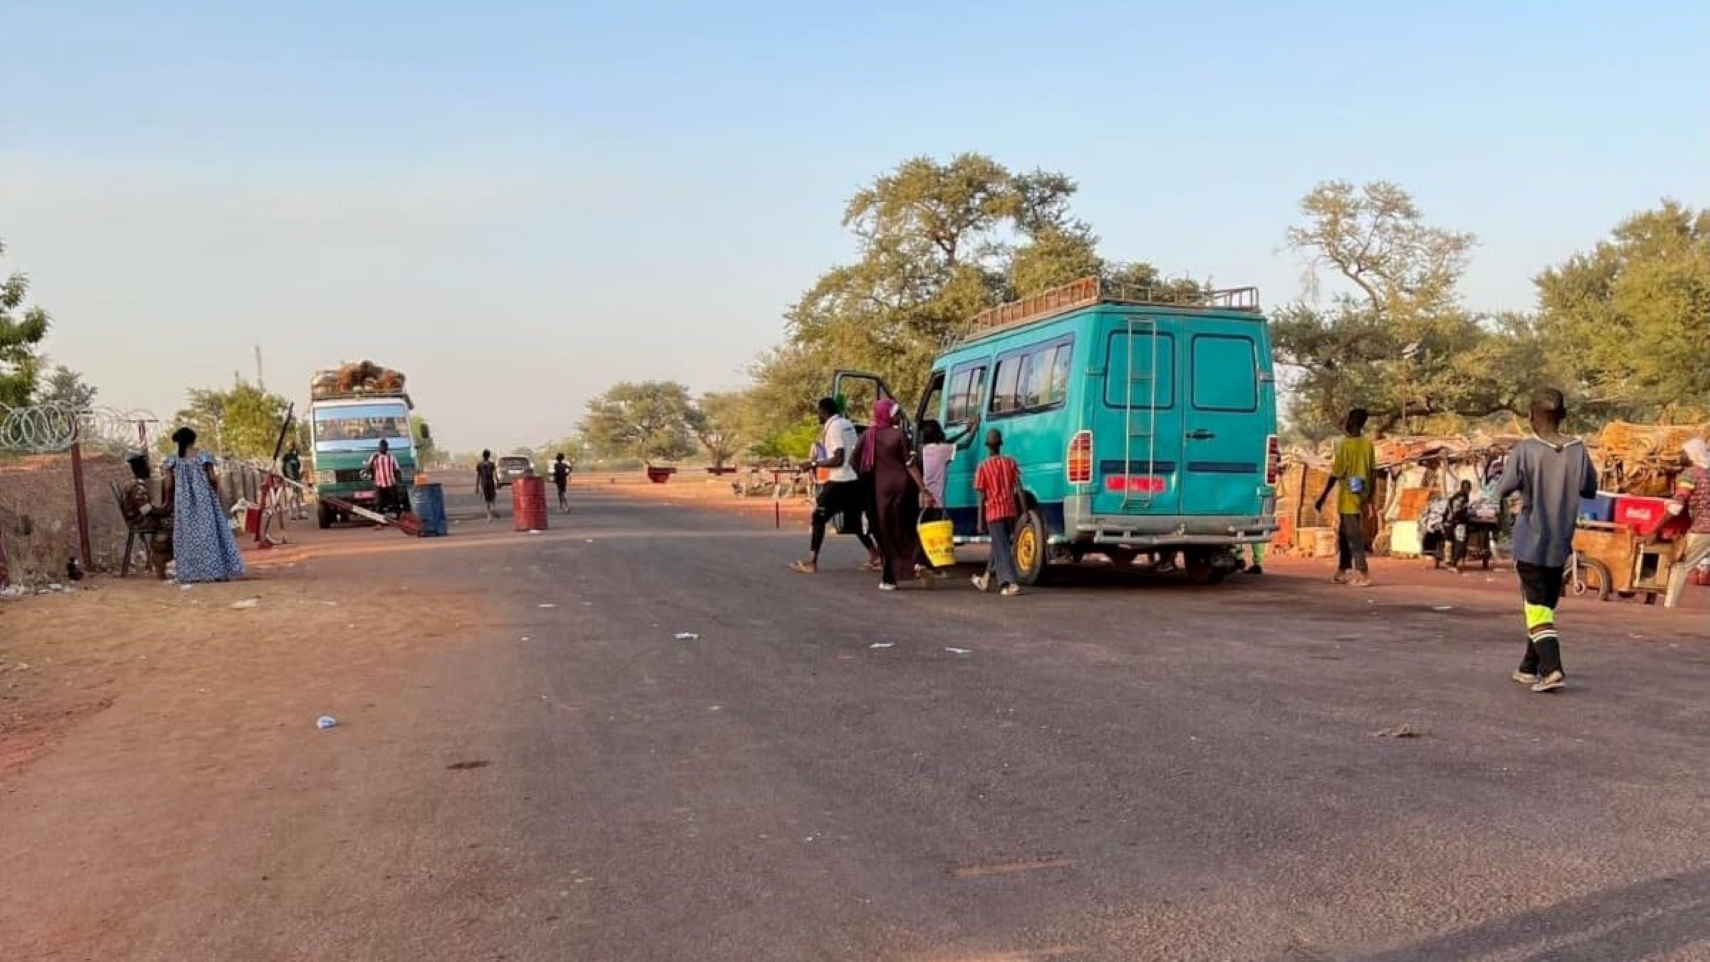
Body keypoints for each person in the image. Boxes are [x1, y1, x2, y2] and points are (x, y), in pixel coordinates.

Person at [1495, 387, 1598, 694]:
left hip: (1530, 540)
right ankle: (1528, 667)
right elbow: (1590, 488)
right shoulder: (1579, 450)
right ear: (1563, 415)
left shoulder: (1525, 449)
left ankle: (1552, 668)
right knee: (1541, 606)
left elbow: (1502, 488)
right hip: (1560, 541)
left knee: (1537, 607)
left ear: (1531, 416)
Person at [856, 399, 931, 590]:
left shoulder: (867, 436)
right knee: (904, 527)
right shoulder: (899, 435)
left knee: (884, 531)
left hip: (880, 490)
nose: (897, 417)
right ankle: (916, 561)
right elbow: (910, 464)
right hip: (904, 488)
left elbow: (855, 462)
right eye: (895, 413)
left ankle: (890, 577)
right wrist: (923, 489)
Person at [791, 398, 868, 574]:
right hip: (854, 479)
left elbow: (838, 458)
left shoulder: (833, 428)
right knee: (853, 522)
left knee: (818, 518)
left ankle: (811, 561)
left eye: (818, 412)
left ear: (823, 411)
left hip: (839, 480)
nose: (818, 415)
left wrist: (813, 464)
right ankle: (875, 554)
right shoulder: (846, 423)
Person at [161, 427, 246, 584]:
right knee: (209, 534)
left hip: (183, 503)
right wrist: (213, 493)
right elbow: (213, 478)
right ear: (193, 440)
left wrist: (168, 501)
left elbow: (168, 484)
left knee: (187, 537)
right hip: (205, 499)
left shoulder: (172, 459)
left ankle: (190, 573)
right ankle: (215, 571)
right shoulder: (203, 456)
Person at [1314, 407, 1376, 587]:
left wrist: (1322, 497)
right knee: (1343, 534)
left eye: (1348, 420)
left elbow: (1335, 474)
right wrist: (1369, 498)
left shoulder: (1345, 446)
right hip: (1360, 492)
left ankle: (1364, 573)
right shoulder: (1367, 445)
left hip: (1349, 495)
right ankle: (1342, 570)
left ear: (1353, 422)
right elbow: (1372, 473)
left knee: (1354, 535)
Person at [972, 428, 1027, 596]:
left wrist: (979, 520)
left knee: (1001, 546)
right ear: (1001, 444)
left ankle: (1009, 583)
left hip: (993, 513)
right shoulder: (1010, 463)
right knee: (1000, 544)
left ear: (987, 445)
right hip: (1009, 511)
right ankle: (986, 578)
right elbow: (1019, 488)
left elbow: (982, 496)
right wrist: (1024, 512)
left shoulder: (983, 467)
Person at [1663, 437, 1710, 609]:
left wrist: (1654, 529)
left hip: (1703, 529)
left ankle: (1669, 608)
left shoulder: (1690, 474)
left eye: (1684, 452)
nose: (1681, 455)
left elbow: (1677, 505)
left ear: (1692, 455)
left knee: (1681, 566)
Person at [118, 452, 174, 579]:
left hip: (139, 519)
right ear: (141, 469)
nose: (149, 469)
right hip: (140, 521)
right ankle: (161, 556)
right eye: (147, 467)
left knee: (170, 522)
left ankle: (161, 555)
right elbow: (146, 510)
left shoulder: (135, 484)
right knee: (173, 525)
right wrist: (165, 510)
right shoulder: (137, 487)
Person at [367, 439, 404, 518]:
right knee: (378, 503)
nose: (383, 448)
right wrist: (373, 460)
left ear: (387, 447)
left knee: (395, 502)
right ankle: (379, 520)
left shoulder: (392, 457)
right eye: (382, 446)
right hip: (379, 483)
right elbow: (367, 468)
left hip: (391, 482)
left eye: (385, 447)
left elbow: (397, 469)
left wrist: (399, 481)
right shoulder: (374, 456)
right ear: (379, 447)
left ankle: (399, 517)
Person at [1444, 479, 1474, 571]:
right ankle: (1453, 565)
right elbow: (1457, 510)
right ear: (1468, 488)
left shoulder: (1454, 496)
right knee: (1460, 543)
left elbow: (1450, 508)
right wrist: (1465, 516)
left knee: (1449, 540)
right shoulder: (1463, 497)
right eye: (1469, 489)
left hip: (1448, 522)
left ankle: (1448, 560)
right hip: (1458, 522)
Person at [280, 442, 306, 520]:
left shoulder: (295, 456)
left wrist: (298, 476)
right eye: (290, 446)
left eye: (293, 446)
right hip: (289, 479)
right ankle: (291, 514)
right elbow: (283, 468)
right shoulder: (286, 456)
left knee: (297, 496)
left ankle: (299, 513)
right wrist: (286, 478)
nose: (292, 448)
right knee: (290, 496)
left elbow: (298, 466)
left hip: (296, 478)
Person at [475, 450, 499, 520]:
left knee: (487, 500)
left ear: (483, 455)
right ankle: (493, 509)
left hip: (484, 484)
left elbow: (478, 476)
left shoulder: (479, 464)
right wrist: (497, 482)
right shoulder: (491, 464)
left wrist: (476, 487)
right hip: (491, 483)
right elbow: (495, 474)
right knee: (493, 497)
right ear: (489, 456)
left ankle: (489, 515)